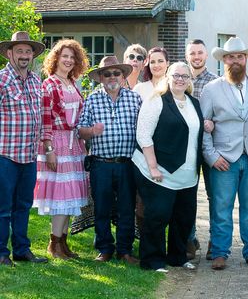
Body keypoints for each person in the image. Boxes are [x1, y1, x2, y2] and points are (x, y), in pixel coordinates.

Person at [200, 37, 248, 270]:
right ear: (223, 60)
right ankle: (219, 252)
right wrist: (211, 156)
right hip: (223, 159)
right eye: (230, 57)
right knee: (221, 207)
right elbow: (204, 125)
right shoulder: (211, 89)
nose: (235, 60)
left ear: (246, 58)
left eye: (239, 56)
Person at [133, 62, 204, 272]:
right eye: (176, 75)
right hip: (158, 170)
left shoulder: (194, 102)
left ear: (190, 79)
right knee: (158, 215)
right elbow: (143, 135)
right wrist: (153, 167)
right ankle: (152, 260)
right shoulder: (156, 101)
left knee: (184, 217)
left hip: (187, 173)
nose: (180, 79)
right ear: (168, 77)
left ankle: (177, 257)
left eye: (185, 76)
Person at [78, 56, 142, 263]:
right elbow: (80, 131)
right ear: (101, 78)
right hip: (100, 164)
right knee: (102, 208)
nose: (112, 77)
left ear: (123, 76)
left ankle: (125, 250)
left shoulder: (135, 99)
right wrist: (91, 131)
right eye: (107, 74)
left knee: (126, 209)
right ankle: (105, 249)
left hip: (127, 164)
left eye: (116, 73)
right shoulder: (92, 99)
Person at [33, 39, 90, 260]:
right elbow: (45, 121)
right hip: (57, 143)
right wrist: (48, 148)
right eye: (64, 56)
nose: (68, 60)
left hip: (74, 144)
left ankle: (63, 243)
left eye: (72, 57)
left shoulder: (73, 83)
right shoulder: (49, 85)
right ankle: (53, 244)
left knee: (71, 196)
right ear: (56, 58)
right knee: (61, 196)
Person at [0, 31, 48, 266]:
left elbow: (39, 115)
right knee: (3, 207)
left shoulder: (35, 81)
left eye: (28, 51)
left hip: (29, 156)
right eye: (19, 51)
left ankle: (21, 250)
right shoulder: (1, 80)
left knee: (23, 205)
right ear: (9, 53)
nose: (24, 55)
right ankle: (1, 253)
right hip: (5, 155)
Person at [185, 39, 218, 259]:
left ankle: (215, 243)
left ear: (206, 55)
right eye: (192, 53)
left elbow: (222, 112)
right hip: (186, 147)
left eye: (200, 53)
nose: (196, 57)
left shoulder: (215, 82)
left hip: (209, 146)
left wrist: (214, 122)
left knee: (215, 196)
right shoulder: (180, 79)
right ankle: (189, 239)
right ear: (187, 56)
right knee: (187, 195)